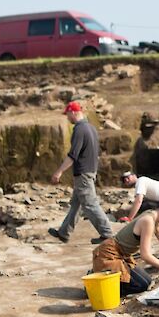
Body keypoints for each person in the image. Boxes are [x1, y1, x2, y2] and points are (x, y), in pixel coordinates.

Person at [91, 198, 159, 295]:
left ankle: (107, 277)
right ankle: (98, 287)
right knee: (141, 285)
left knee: (146, 281)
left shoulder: (156, 219)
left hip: (123, 255)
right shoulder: (148, 221)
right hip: (109, 253)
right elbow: (145, 256)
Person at [49, 101, 115, 244]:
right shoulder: (91, 128)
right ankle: (64, 232)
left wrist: (59, 172)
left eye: (67, 114)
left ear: (73, 112)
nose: (67, 118)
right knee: (76, 203)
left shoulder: (79, 130)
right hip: (90, 170)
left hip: (83, 172)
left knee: (90, 204)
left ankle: (107, 233)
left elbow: (73, 155)